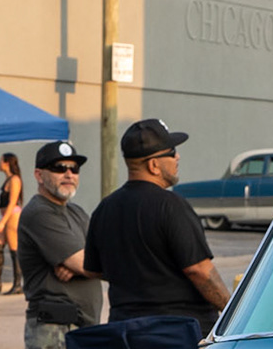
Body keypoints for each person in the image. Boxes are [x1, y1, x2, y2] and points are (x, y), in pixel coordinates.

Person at [83, 118, 226, 331]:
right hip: (177, 332)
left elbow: (93, 270)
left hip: (125, 332)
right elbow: (199, 270)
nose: (177, 157)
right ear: (153, 165)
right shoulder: (171, 205)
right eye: (172, 152)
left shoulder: (104, 208)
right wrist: (233, 311)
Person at [15, 140, 101, 349]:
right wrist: (82, 264)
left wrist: (81, 264)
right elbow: (86, 263)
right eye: (59, 168)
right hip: (55, 333)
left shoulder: (77, 213)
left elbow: (99, 256)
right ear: (39, 175)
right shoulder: (39, 212)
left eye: (74, 169)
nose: (68, 174)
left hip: (84, 330)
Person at [0, 152, 25, 293]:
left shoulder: (15, 180)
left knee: (14, 249)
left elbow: (12, 202)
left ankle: (18, 284)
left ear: (7, 163)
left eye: (1, 161)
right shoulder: (8, 179)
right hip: (7, 217)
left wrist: (2, 223)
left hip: (13, 217)